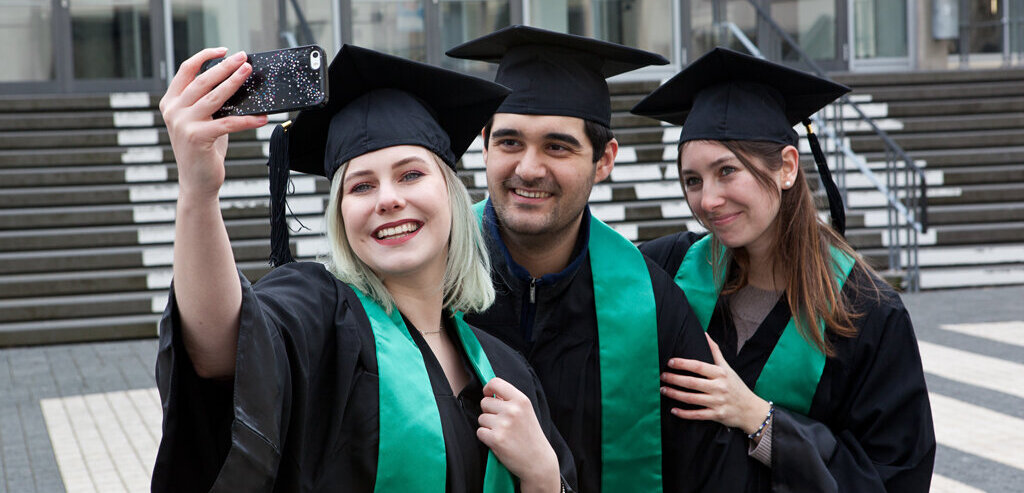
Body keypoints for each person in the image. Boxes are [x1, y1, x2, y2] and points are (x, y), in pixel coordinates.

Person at [152, 44, 577, 492]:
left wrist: (544, 476)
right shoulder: (321, 315)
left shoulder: (505, 370)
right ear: (341, 215)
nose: (388, 199)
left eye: (411, 175)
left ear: (451, 196)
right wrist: (199, 192)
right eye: (361, 186)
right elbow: (221, 351)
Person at [447, 26, 746, 492]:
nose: (528, 168)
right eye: (509, 142)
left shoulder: (652, 305)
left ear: (604, 160)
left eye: (557, 146)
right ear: (483, 144)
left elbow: (705, 471)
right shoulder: (429, 280)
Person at [632, 47, 936, 492]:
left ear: (787, 167)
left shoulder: (866, 310)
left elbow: (895, 477)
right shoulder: (667, 269)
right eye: (693, 180)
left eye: (727, 171)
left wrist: (759, 419)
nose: (708, 200)